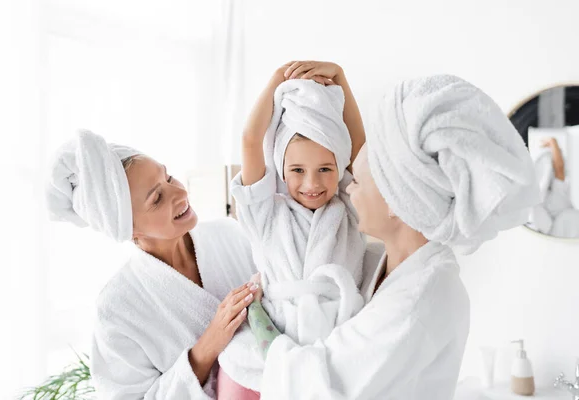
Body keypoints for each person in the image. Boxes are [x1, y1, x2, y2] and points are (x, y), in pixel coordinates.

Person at [245, 74, 540, 399]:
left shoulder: (418, 302)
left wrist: (257, 319)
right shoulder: (380, 267)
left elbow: (313, 386)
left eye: (361, 180)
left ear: (399, 202)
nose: (350, 187)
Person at [45, 130, 258, 399]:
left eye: (168, 177)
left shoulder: (231, 235)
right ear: (131, 229)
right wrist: (207, 347)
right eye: (157, 199)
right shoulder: (117, 308)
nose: (179, 192)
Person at [217, 61, 367, 397]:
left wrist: (341, 79)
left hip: (335, 344)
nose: (312, 183)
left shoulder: (352, 209)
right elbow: (250, 139)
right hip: (265, 354)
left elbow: (361, 148)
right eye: (297, 169)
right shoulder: (266, 214)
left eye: (326, 169)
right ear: (281, 169)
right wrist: (275, 81)